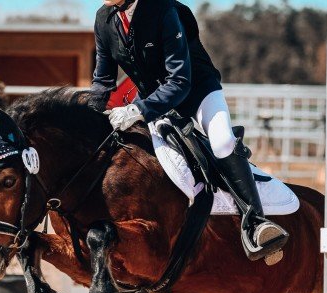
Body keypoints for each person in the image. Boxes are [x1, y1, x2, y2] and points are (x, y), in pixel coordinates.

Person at [90, 0, 288, 261]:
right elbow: (103, 80)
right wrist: (88, 113)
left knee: (222, 142)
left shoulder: (164, 11)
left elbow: (180, 81)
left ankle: (255, 224)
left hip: (198, 92)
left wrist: (138, 110)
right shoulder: (104, 18)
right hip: (154, 100)